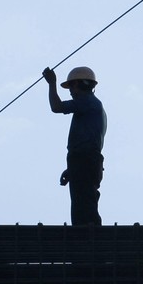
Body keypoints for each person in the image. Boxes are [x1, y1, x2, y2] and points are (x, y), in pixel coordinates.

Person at [42, 66, 108, 226]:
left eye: (72, 86)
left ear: (82, 84)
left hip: (84, 160)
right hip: (86, 160)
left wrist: (52, 83)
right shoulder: (92, 106)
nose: (70, 91)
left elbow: (56, 107)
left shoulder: (88, 102)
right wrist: (72, 169)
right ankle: (87, 237)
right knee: (83, 201)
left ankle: (88, 241)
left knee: (83, 206)